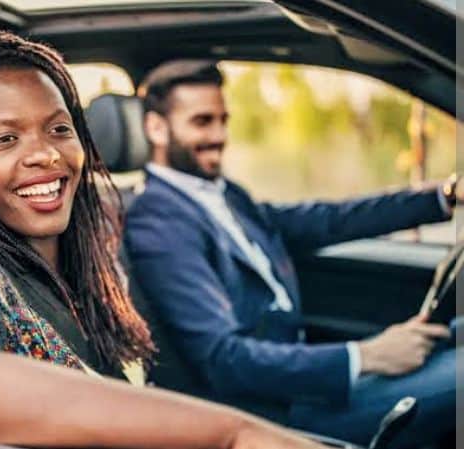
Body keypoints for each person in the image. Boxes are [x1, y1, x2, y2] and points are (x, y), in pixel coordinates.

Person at [0, 31, 327, 449]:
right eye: (5, 139)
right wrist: (232, 433)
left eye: (59, 129)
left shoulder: (92, 243)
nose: (46, 154)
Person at [123, 59, 459, 447]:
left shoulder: (224, 195)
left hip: (304, 382)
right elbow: (222, 359)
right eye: (202, 122)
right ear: (157, 128)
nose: (219, 135)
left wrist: (444, 196)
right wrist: (366, 356)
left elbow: (329, 220)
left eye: (223, 120)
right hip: (274, 414)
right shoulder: (158, 221)